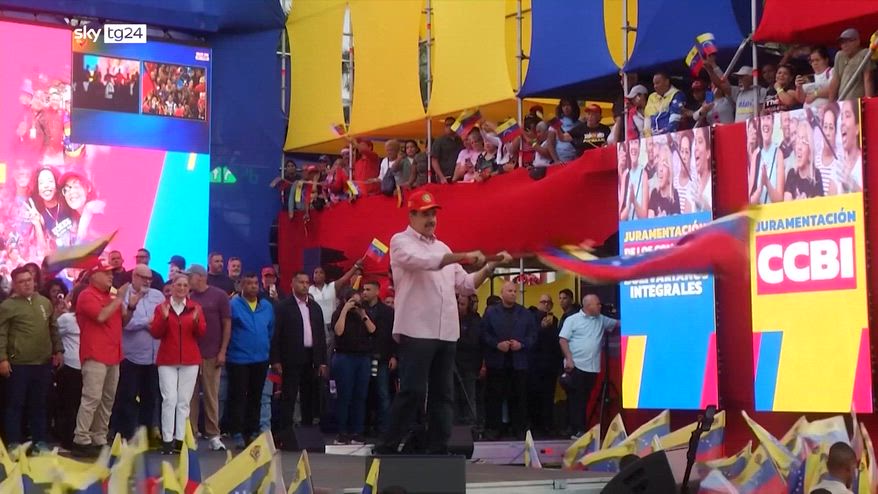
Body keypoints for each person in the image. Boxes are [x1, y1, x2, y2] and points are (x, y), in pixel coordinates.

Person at [376, 191, 509, 455]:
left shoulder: (443, 247)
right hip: (416, 329)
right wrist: (463, 256)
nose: (431, 219)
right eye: (425, 214)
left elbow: (466, 284)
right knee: (413, 390)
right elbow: (423, 262)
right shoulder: (400, 242)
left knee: (444, 393)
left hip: (446, 331)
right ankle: (388, 444)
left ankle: (437, 446)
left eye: (433, 213)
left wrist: (490, 267)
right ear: (412, 215)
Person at [0, 267, 63, 453]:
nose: (26, 284)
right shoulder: (7, 306)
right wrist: (2, 359)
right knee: (15, 404)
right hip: (18, 364)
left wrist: (58, 350)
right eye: (21, 281)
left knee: (39, 404)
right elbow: (1, 334)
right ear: (14, 285)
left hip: (42, 363)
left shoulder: (44, 302)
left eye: (29, 280)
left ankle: (39, 442)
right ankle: (14, 443)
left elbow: (53, 328)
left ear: (34, 281)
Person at [72, 262, 129, 457]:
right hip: (95, 353)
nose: (110, 277)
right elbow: (101, 316)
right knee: (92, 398)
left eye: (111, 273)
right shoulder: (86, 295)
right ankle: (81, 438)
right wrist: (119, 299)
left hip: (114, 353)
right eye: (106, 273)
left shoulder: (110, 296)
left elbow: (124, 320)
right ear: (94, 276)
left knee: (107, 399)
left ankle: (99, 437)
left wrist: (128, 304)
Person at [150, 273, 206, 454]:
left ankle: (180, 440)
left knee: (183, 401)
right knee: (169, 399)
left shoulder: (195, 308)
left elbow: (201, 333)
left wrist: (196, 321)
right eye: (178, 285)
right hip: (167, 359)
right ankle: (167, 440)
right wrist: (164, 318)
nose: (181, 288)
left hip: (190, 359)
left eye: (185, 285)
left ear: (188, 288)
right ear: (172, 287)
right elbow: (156, 333)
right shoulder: (162, 308)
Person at [480, 282, 538, 440]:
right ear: (502, 293)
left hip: (518, 363)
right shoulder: (491, 313)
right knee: (494, 397)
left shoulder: (525, 313)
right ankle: (494, 429)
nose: (513, 293)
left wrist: (522, 344)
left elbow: (533, 336)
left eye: (515, 291)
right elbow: (483, 334)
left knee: (519, 397)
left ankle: (519, 429)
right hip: (497, 362)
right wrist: (496, 344)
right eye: (510, 291)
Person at [270, 271, 327, 431]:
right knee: (289, 395)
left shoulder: (315, 307)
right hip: (290, 358)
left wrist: (322, 361)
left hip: (311, 357)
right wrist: (275, 360)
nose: (304, 285)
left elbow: (321, 336)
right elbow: (276, 335)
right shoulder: (283, 307)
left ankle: (307, 429)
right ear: (292, 284)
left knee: (309, 395)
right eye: (301, 282)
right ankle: (286, 430)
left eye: (307, 282)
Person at [114, 264, 164, 440]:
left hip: (153, 356)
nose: (147, 282)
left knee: (150, 397)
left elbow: (162, 318)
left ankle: (146, 435)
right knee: (127, 396)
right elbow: (126, 323)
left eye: (150, 278)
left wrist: (150, 322)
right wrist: (147, 322)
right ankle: (126, 435)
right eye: (144, 278)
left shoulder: (158, 296)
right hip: (131, 356)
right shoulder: (123, 295)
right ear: (134, 276)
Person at [559, 294, 620, 439]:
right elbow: (563, 340)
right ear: (587, 306)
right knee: (576, 399)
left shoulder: (601, 320)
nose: (600, 306)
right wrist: (569, 359)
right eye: (597, 304)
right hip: (576, 365)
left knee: (585, 398)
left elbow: (618, 324)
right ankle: (577, 429)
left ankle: (579, 429)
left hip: (592, 367)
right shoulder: (572, 320)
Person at [226, 273, 275, 449]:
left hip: (261, 358)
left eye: (255, 283)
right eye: (249, 283)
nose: (253, 286)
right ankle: (237, 432)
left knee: (256, 396)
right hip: (238, 358)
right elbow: (228, 330)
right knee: (238, 396)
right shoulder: (233, 305)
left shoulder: (267, 306)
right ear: (241, 286)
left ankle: (252, 431)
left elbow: (270, 330)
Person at [188, 264, 231, 451]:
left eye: (190, 276)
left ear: (199, 276)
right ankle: (191, 433)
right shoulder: (188, 297)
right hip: (191, 354)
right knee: (190, 397)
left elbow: (227, 324)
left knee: (211, 395)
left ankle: (213, 434)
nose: (188, 280)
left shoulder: (219, 295)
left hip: (212, 353)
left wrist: (222, 351)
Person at [330, 289, 376, 445]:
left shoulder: (363, 314)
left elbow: (372, 330)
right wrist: (345, 310)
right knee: (344, 395)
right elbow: (338, 331)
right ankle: (342, 431)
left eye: (358, 301)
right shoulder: (338, 314)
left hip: (362, 358)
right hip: (344, 357)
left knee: (360, 396)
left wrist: (363, 314)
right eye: (353, 301)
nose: (356, 304)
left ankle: (357, 431)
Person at [361, 280, 395, 434]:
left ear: (377, 291)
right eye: (364, 289)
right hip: (363, 356)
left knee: (383, 393)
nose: (364, 292)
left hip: (382, 357)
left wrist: (394, 356)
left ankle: (384, 429)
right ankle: (364, 427)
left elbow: (393, 336)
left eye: (368, 289)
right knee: (363, 393)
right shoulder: (360, 309)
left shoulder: (388, 312)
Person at [528, 294, 561, 436]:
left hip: (550, 365)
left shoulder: (555, 320)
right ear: (538, 303)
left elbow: (556, 342)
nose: (546, 304)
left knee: (549, 396)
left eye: (548, 302)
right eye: (543, 302)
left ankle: (548, 425)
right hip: (535, 365)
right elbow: (531, 340)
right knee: (535, 396)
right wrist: (542, 328)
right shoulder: (532, 318)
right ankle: (536, 426)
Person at [454, 293, 482, 427]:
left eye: (462, 304)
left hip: (469, 364)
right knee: (453, 397)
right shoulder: (451, 319)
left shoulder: (475, 320)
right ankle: (454, 425)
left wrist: (456, 339)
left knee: (469, 396)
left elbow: (472, 342)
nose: (459, 307)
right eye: (458, 303)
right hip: (452, 363)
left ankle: (471, 425)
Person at [829, 28, 874, 102]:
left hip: (858, 102)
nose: (845, 45)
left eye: (848, 41)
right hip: (842, 102)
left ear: (857, 41)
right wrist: (830, 103)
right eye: (842, 42)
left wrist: (869, 101)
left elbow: (868, 78)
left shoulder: (864, 53)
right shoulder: (840, 55)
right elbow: (835, 81)